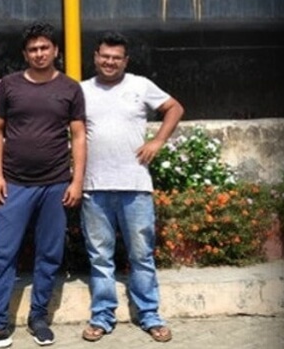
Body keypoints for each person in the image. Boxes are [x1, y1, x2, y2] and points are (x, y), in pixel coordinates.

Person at [0, 22, 86, 349]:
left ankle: (38, 318)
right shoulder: (9, 86)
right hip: (14, 184)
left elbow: (78, 135)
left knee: (49, 254)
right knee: (2, 255)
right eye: (33, 49)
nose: (39, 53)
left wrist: (76, 180)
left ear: (55, 50)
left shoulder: (71, 89)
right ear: (25, 53)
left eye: (44, 48)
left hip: (55, 185)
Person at [79, 31, 184, 343]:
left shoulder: (141, 85)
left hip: (135, 187)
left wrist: (158, 141)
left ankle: (150, 315)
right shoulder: (81, 90)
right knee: (100, 258)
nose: (110, 62)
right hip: (94, 187)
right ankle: (102, 317)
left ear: (125, 60)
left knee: (141, 256)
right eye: (105, 56)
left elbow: (174, 108)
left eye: (116, 58)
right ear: (95, 57)